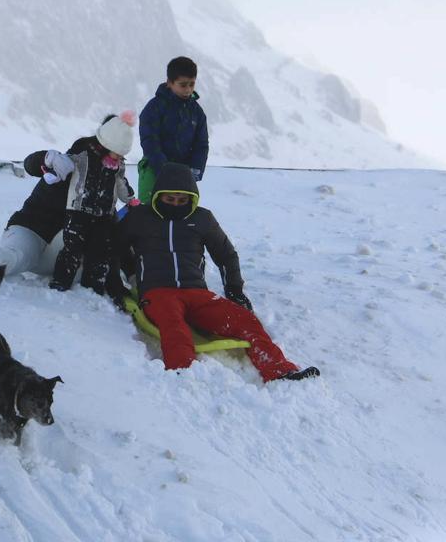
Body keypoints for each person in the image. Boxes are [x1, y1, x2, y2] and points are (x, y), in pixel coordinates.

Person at [110, 162, 320, 382]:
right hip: (158, 292)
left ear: (191, 198)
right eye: (169, 199)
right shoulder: (141, 217)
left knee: (245, 320)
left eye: (182, 200)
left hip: (196, 293)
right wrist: (117, 281)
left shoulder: (202, 218)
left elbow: (226, 255)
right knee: (174, 326)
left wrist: (234, 289)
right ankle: (183, 374)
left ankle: (279, 370)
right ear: (158, 195)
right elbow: (114, 249)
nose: (175, 204)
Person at [0, 126, 104, 278]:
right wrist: (47, 158)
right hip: (29, 231)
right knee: (17, 257)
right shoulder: (63, 165)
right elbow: (31, 165)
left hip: (56, 252)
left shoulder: (102, 187)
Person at [49, 112, 139, 293]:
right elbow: (64, 163)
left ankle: (93, 285)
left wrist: (129, 198)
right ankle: (60, 281)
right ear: (107, 144)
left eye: (122, 155)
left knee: (100, 251)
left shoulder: (117, 166)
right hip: (78, 211)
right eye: (118, 154)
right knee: (72, 248)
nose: (120, 158)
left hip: (104, 215)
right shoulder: (83, 154)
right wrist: (54, 165)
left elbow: (121, 183)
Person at [136, 56, 209, 204]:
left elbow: (201, 144)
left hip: (184, 171)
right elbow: (149, 140)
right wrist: (163, 168)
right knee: (150, 208)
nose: (188, 89)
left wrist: (195, 169)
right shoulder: (154, 108)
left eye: (192, 84)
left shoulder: (197, 112)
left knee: (183, 209)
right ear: (170, 83)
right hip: (155, 167)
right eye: (183, 85)